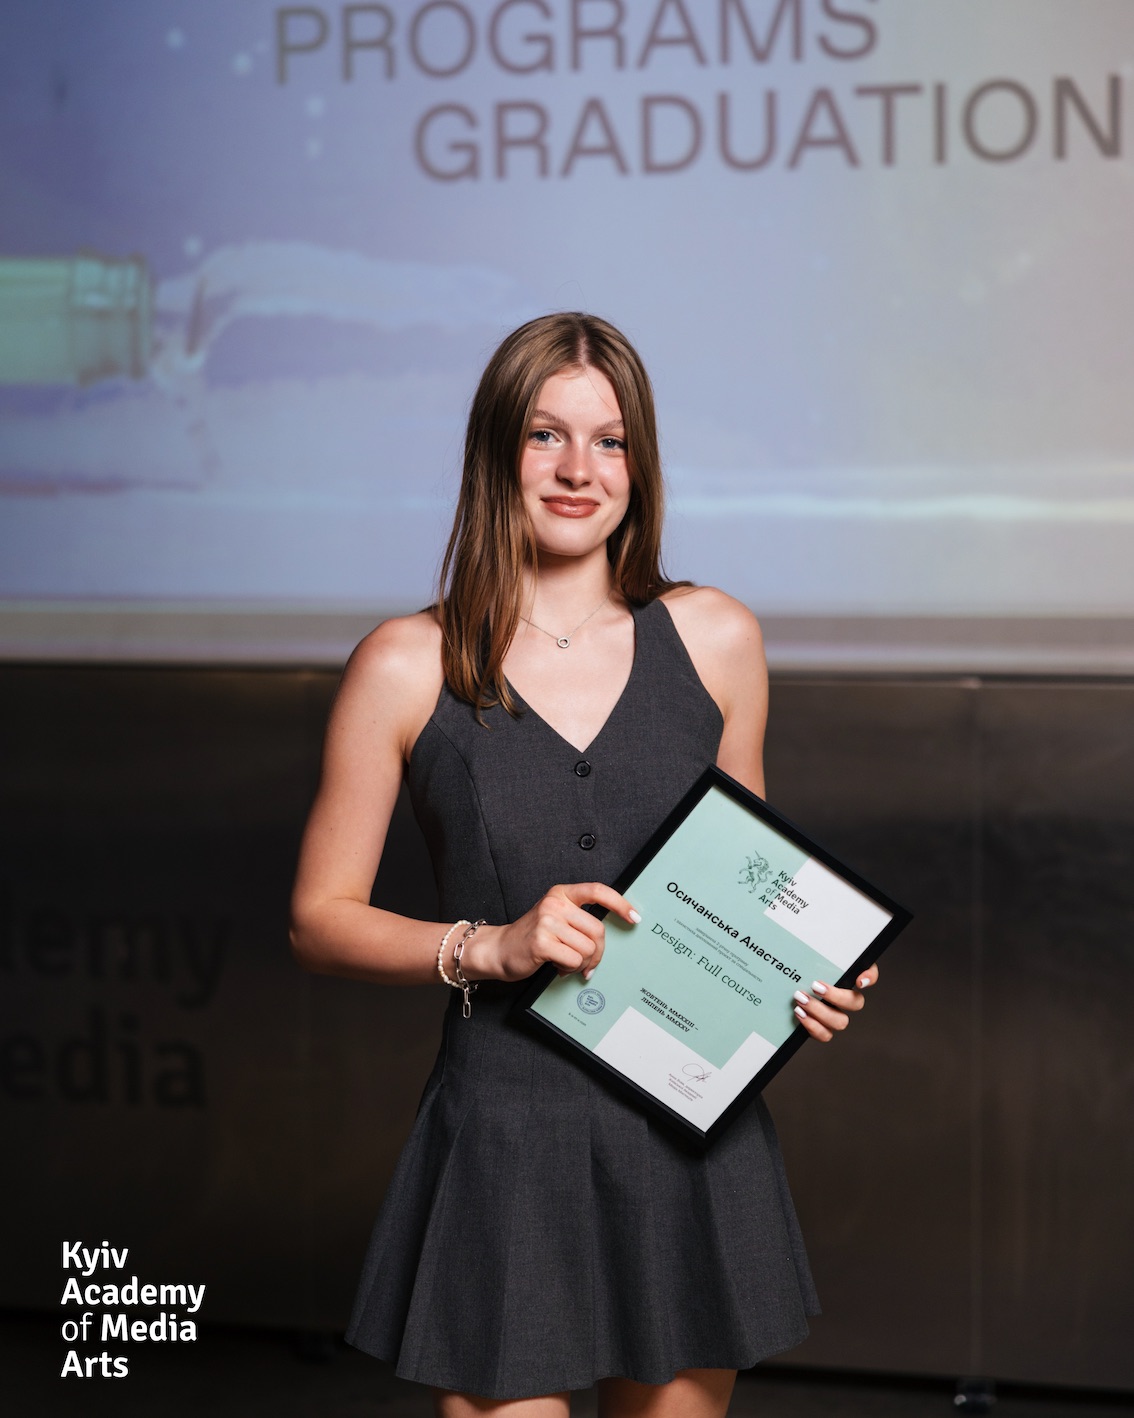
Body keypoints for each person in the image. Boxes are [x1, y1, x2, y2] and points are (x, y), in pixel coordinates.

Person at [290, 313, 878, 1418]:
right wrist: (491, 945)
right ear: (495, 451)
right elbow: (318, 919)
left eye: (609, 441)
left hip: (689, 1131)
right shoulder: (406, 662)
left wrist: (807, 970)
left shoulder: (717, 638)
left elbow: (747, 880)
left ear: (638, 463)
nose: (578, 470)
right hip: (504, 1132)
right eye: (545, 435)